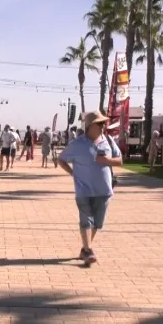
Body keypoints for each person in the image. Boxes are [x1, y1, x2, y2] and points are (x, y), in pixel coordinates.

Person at [57, 111, 122, 266]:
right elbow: (61, 159)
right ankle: (88, 251)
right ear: (90, 126)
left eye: (103, 123)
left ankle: (85, 249)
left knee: (97, 223)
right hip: (83, 190)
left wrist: (107, 161)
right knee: (86, 221)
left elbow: (119, 160)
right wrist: (73, 173)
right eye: (100, 123)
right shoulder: (77, 144)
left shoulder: (108, 140)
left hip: (104, 191)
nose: (103, 126)